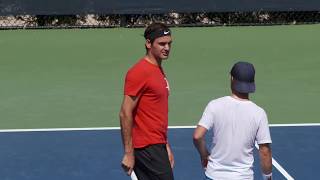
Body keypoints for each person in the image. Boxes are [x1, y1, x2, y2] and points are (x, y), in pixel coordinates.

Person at [193, 61, 272, 180]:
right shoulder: (259, 113)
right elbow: (264, 151)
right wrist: (268, 177)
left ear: (232, 78)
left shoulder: (214, 105)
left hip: (214, 175)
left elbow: (197, 136)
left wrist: (205, 156)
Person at [119, 22, 174, 180]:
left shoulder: (158, 69)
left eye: (169, 43)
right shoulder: (139, 72)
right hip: (147, 147)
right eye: (162, 44)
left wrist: (166, 145)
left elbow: (155, 113)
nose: (167, 48)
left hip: (157, 144)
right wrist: (129, 153)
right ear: (148, 43)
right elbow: (125, 113)